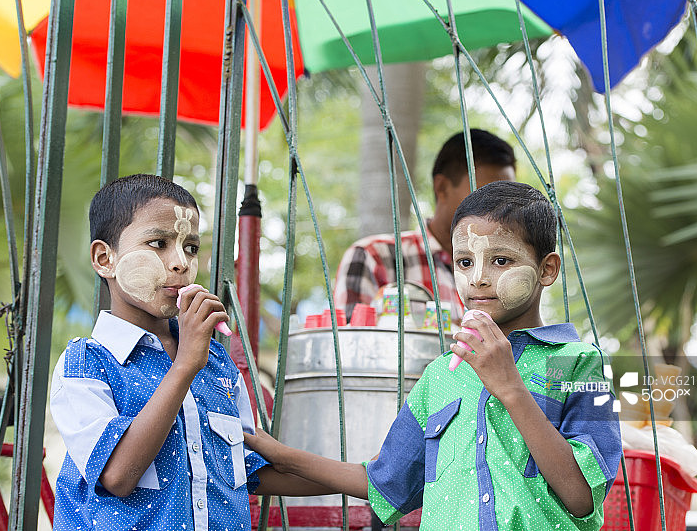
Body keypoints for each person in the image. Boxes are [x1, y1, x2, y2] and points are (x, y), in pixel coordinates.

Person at [249, 181, 622, 530]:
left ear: (547, 269)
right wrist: (283, 457)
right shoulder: (441, 374)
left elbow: (582, 498)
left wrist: (511, 388)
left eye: (501, 261)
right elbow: (384, 481)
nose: (477, 278)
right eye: (464, 262)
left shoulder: (575, 363)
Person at [49, 174, 328, 531]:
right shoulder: (87, 364)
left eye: (191, 247)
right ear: (105, 259)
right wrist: (184, 366)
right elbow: (118, 475)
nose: (180, 262)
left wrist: (371, 478)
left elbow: (246, 466)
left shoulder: (214, 361)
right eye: (158, 243)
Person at [333, 129, 516, 323]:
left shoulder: (510, 267)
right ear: (442, 188)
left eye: (507, 199)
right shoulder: (375, 256)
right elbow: (349, 344)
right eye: (485, 196)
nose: (499, 210)